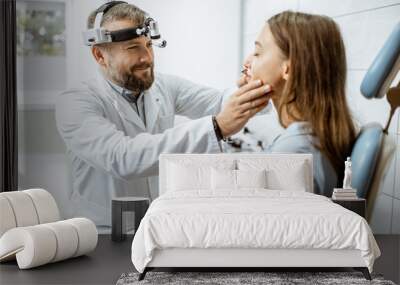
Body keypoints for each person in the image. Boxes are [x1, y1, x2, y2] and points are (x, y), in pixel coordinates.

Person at [55, 1, 272, 226]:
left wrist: (255, 86)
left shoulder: (164, 86)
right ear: (99, 55)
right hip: (102, 232)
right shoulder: (75, 103)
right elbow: (123, 158)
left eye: (148, 45)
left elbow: (218, 102)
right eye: (133, 48)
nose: (146, 57)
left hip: (154, 226)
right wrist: (216, 127)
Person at [241, 11, 356, 196]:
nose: (246, 62)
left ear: (288, 69)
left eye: (257, 53)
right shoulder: (310, 138)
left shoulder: (294, 151)